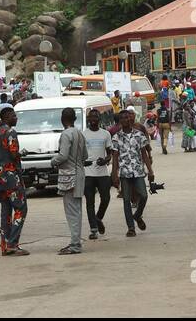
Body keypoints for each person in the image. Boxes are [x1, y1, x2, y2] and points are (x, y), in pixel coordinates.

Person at [110, 109, 155, 237]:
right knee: (126, 200)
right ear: (119, 121)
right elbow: (115, 157)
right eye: (122, 118)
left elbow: (144, 154)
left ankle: (138, 215)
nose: (126, 120)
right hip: (124, 172)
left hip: (137, 171)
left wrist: (150, 170)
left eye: (127, 117)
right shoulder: (116, 137)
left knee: (144, 195)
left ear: (130, 119)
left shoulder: (139, 135)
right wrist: (114, 174)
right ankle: (131, 227)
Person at [0, 106, 29, 256]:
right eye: (14, 116)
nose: (16, 118)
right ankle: (13, 243)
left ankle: (5, 245)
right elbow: (14, 154)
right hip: (11, 176)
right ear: (6, 117)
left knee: (5, 212)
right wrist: (21, 154)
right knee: (21, 208)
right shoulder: (11, 132)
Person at [50, 107, 88, 255]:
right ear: (75, 119)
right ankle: (75, 241)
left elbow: (63, 155)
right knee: (77, 210)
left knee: (71, 211)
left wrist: (53, 161)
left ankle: (75, 244)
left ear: (62, 119)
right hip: (80, 173)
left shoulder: (66, 134)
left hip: (69, 175)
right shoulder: (79, 133)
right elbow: (85, 155)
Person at [81, 108, 112, 239]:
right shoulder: (83, 134)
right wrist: (83, 162)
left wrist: (105, 160)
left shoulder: (105, 134)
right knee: (90, 201)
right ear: (88, 119)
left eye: (95, 117)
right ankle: (93, 229)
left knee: (106, 198)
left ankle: (98, 218)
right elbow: (79, 153)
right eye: (91, 118)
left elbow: (110, 153)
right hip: (88, 172)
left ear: (99, 119)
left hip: (102, 172)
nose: (93, 120)